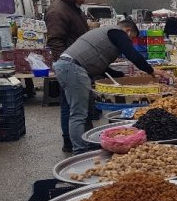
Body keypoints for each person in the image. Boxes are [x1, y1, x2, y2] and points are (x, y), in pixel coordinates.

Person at [53, 19, 170, 154]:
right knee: (78, 113)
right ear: (128, 31)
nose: (130, 42)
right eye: (131, 38)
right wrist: (151, 71)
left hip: (67, 66)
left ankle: (86, 145)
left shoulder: (106, 34)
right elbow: (133, 55)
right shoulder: (117, 32)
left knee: (81, 111)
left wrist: (120, 75)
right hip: (73, 68)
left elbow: (102, 67)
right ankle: (80, 150)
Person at [45, 0, 90, 153]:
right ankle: (73, 143)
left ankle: (73, 140)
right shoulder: (58, 11)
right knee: (73, 108)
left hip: (75, 62)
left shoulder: (73, 8)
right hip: (69, 63)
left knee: (71, 104)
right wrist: (63, 63)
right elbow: (56, 40)